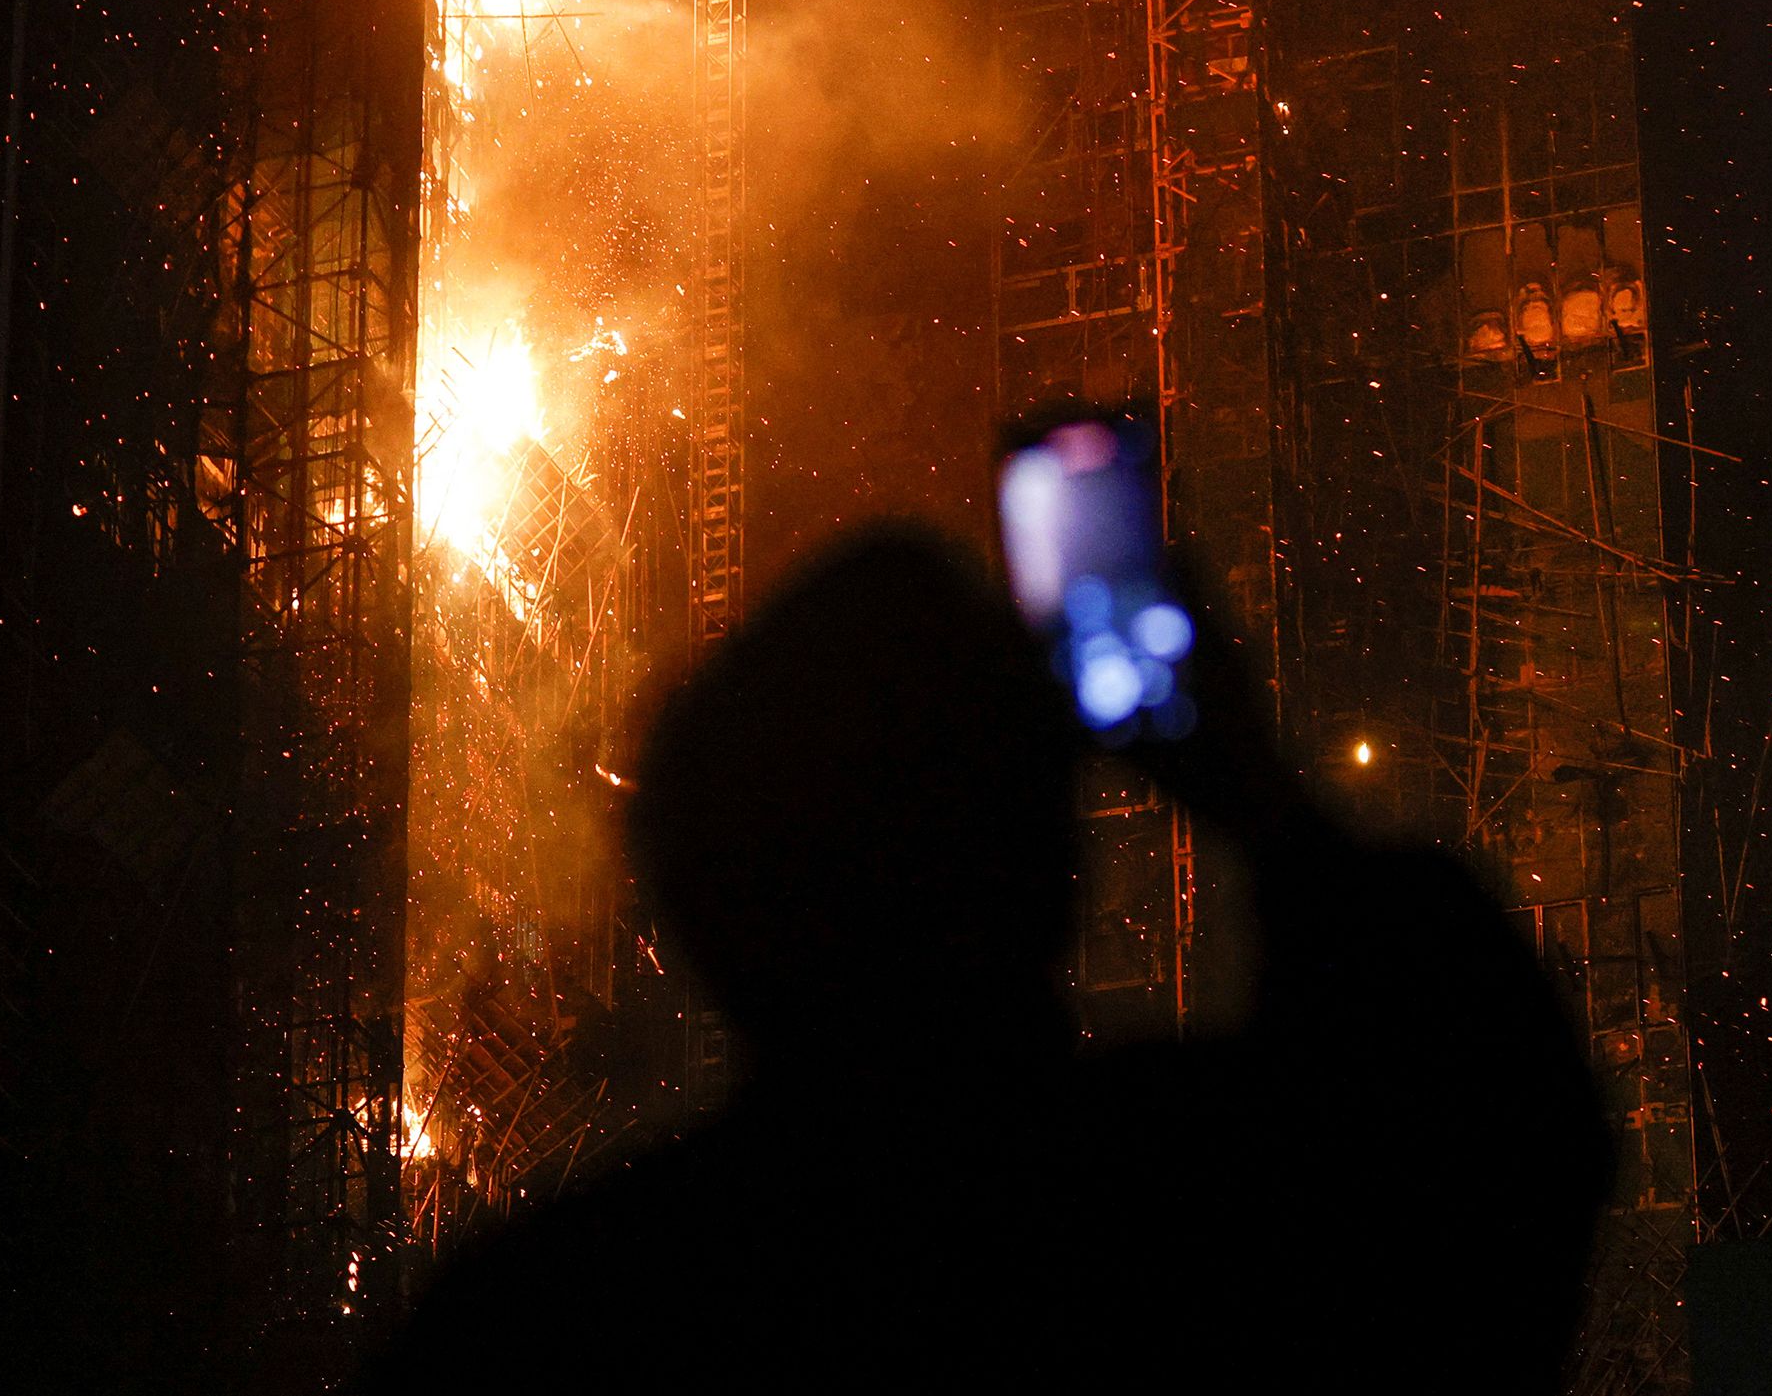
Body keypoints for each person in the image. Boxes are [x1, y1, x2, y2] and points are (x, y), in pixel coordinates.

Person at [365, 525, 1609, 1389]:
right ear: (1052, 865)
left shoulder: (554, 1325)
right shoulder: (1198, 1221)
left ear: (702, 903)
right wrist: (1253, 795)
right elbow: (1506, 1123)